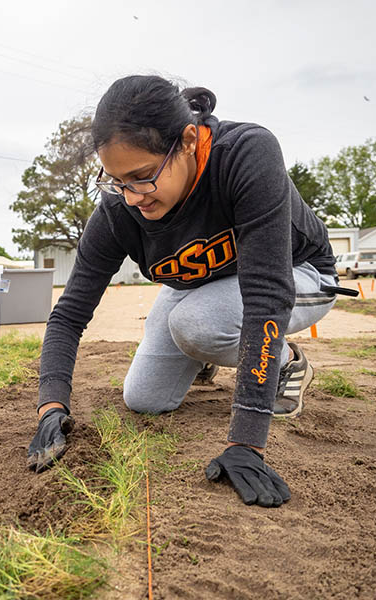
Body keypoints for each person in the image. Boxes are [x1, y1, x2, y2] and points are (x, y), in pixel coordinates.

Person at [26, 75, 342, 508]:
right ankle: (206, 353)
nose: (132, 197)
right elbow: (70, 312)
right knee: (144, 399)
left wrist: (247, 444)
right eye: (117, 181)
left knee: (197, 325)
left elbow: (267, 291)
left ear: (189, 141)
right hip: (203, 285)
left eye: (142, 176)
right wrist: (51, 407)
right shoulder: (120, 208)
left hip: (296, 272)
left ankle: (287, 362)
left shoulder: (245, 153)